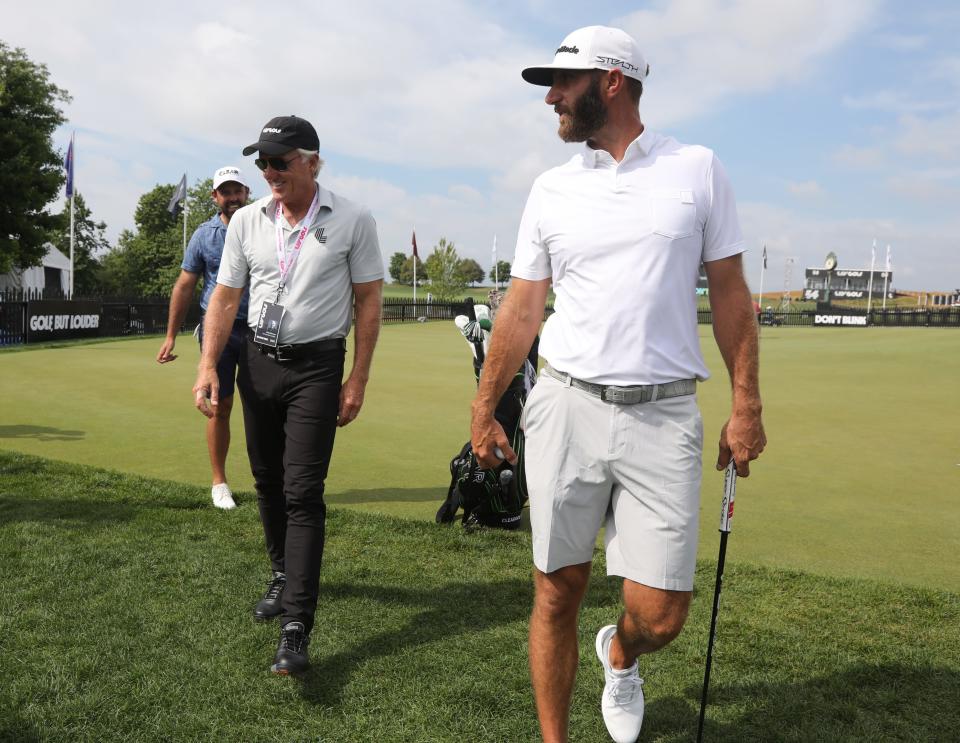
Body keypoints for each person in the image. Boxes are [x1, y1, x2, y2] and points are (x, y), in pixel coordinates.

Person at [469, 26, 766, 743]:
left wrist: (747, 401)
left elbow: (729, 291)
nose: (550, 98)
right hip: (565, 405)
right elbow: (521, 307)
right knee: (555, 589)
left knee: (662, 611)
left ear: (611, 80)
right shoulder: (550, 189)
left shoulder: (696, 169)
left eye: (562, 83)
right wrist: (483, 408)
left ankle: (621, 651)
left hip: (664, 416)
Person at [192, 115, 383, 675]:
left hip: (317, 367)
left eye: (280, 161)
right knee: (267, 481)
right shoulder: (247, 221)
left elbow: (368, 301)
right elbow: (225, 297)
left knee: (303, 491)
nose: (270, 171)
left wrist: (359, 378)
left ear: (312, 163)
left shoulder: (353, 218)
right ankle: (281, 574)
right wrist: (207, 364)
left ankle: (296, 626)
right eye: (263, 163)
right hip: (256, 363)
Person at [157, 166, 251, 510]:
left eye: (237, 190)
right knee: (221, 406)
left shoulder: (264, 227)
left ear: (247, 191)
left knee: (267, 408)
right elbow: (185, 285)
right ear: (216, 197)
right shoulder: (204, 235)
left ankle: (272, 481)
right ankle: (219, 482)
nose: (233, 198)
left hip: (259, 329)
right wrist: (171, 335)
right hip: (218, 332)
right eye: (225, 192)